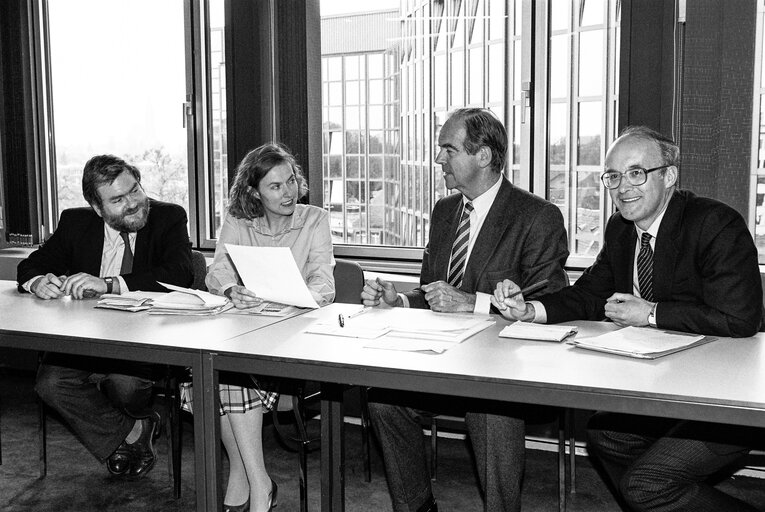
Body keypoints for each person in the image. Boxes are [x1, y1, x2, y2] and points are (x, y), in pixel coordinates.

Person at [493, 126, 762, 512]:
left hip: (722, 401)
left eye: (636, 173)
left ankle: (651, 495)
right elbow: (588, 294)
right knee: (604, 433)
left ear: (669, 176)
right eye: (613, 176)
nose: (623, 187)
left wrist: (650, 313)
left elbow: (740, 319)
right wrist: (531, 310)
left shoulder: (715, 224)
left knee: (645, 485)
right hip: (662, 387)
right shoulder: (621, 230)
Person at [361, 108, 569, 512]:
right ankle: (416, 506)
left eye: (448, 150)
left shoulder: (537, 217)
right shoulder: (443, 212)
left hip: (506, 371)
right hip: (440, 362)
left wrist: (472, 302)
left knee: (490, 406)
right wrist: (398, 301)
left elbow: (551, 299)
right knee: (382, 398)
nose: (439, 160)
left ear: (485, 157)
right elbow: (431, 291)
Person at [18, 154, 193, 478]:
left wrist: (110, 284)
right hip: (84, 340)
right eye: (117, 199)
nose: (133, 204)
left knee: (124, 386)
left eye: (135, 190)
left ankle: (123, 434)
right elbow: (29, 265)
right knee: (50, 384)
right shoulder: (75, 223)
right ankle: (134, 432)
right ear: (97, 208)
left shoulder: (168, 217)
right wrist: (39, 282)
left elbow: (179, 273)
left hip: (141, 343)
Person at [181, 142, 335, 512]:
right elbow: (217, 270)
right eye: (275, 186)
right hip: (246, 324)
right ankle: (257, 479)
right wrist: (232, 288)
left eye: (291, 181)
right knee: (212, 369)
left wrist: (293, 299)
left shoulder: (314, 219)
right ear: (254, 192)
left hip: (294, 333)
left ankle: (249, 478)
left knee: (226, 373)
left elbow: (324, 283)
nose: (289, 192)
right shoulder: (238, 220)